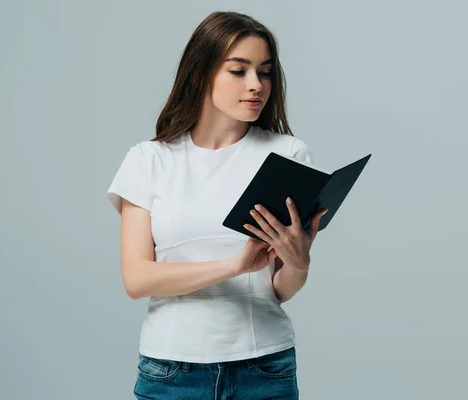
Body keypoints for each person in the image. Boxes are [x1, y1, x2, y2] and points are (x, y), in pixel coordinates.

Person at [107, 10, 327, 400]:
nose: (256, 85)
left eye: (265, 72)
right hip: (171, 370)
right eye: (238, 71)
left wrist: (299, 262)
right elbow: (137, 279)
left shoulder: (288, 155)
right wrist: (235, 267)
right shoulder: (148, 160)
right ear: (199, 74)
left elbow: (281, 289)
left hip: (264, 366)